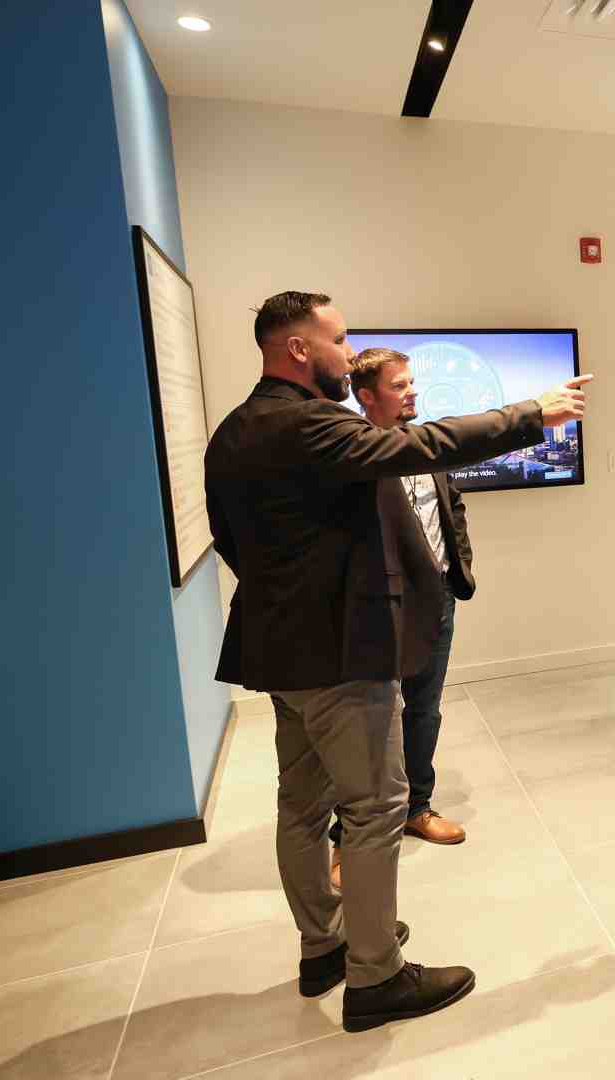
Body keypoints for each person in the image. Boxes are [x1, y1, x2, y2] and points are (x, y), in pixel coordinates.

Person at [204, 291, 590, 1033]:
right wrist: (530, 414)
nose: (348, 355)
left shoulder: (233, 432)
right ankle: (376, 976)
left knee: (301, 805)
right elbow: (424, 444)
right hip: (340, 653)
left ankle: (324, 946)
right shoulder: (311, 424)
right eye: (339, 341)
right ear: (297, 349)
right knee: (376, 808)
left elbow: (230, 540)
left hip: (277, 651)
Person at [327, 348, 472, 892]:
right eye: (399, 385)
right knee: (370, 721)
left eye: (412, 383)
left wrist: (459, 564)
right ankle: (347, 836)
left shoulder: (425, 444)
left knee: (424, 709)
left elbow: (451, 506)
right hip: (379, 607)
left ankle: (417, 807)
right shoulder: (351, 454)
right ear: (366, 396)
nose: (412, 392)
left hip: (437, 598)